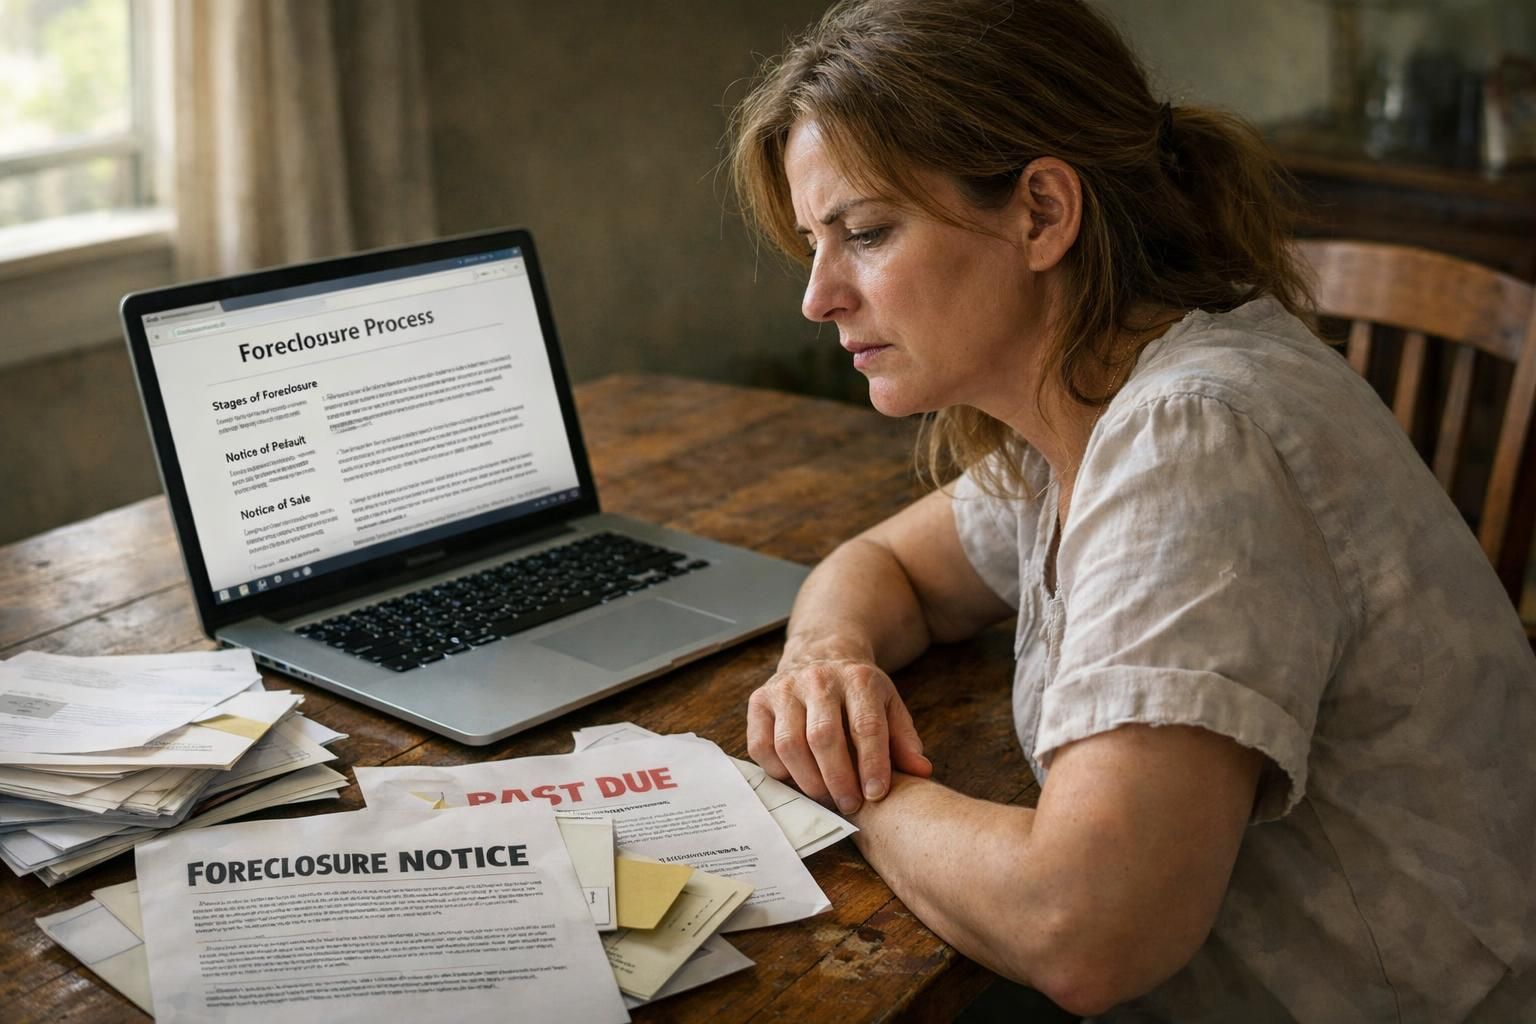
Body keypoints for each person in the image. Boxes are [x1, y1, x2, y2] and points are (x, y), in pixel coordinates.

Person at [726, 1, 1536, 1020]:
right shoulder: (1082, 400)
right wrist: (824, 663)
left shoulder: (1194, 437)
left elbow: (1084, 930)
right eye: (813, 243)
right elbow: (886, 564)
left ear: (1043, 214)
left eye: (867, 233)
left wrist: (847, 784)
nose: (818, 295)